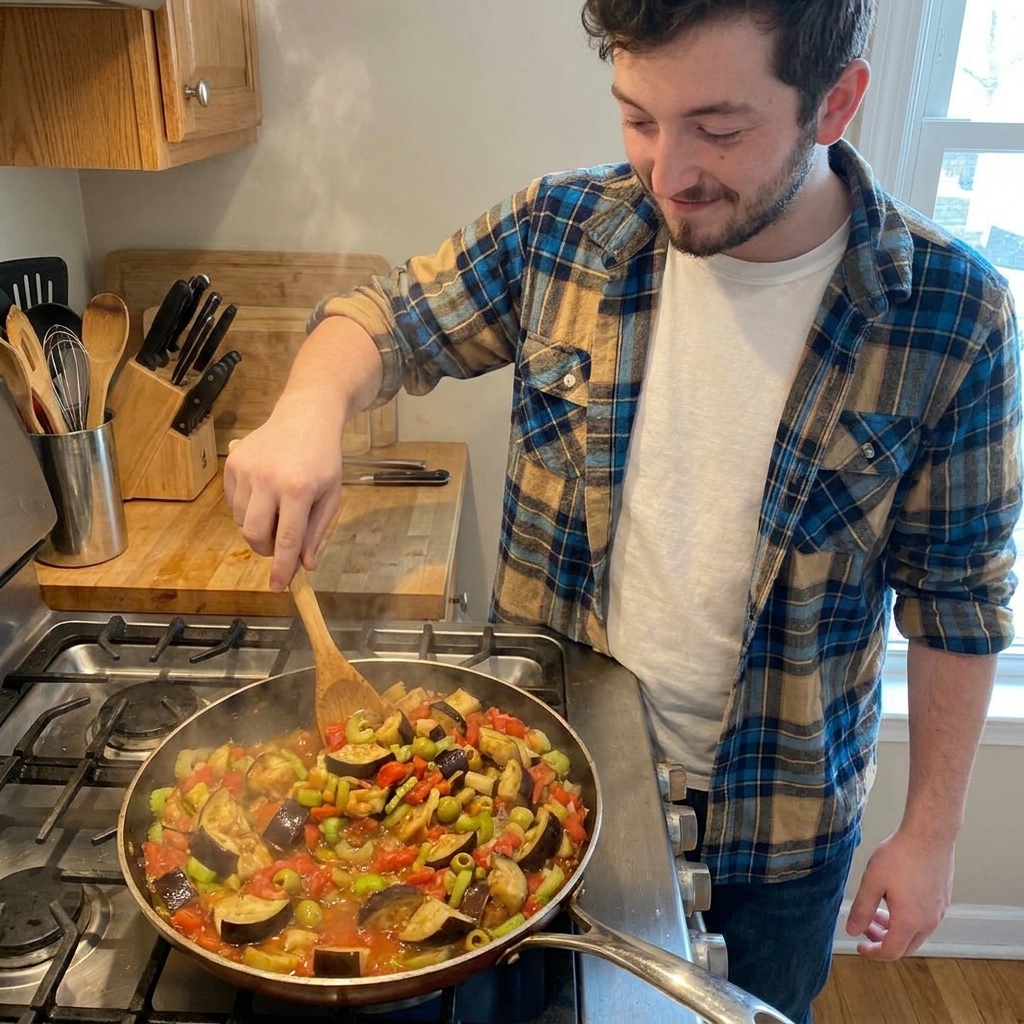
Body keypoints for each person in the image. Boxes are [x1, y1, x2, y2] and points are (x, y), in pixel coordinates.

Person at [224, 0, 1022, 1019]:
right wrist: (308, 405)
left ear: (837, 103)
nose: (667, 173)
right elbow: (386, 317)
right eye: (638, 117)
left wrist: (933, 832)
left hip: (774, 835)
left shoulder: (953, 314)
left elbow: (956, 598)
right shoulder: (563, 229)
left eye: (719, 129)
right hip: (541, 792)